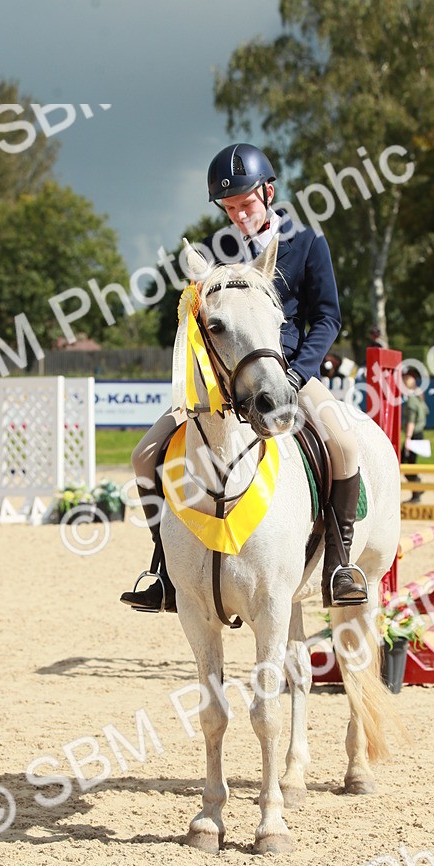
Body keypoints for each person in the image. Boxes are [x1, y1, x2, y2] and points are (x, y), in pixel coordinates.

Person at [121, 142, 368, 613]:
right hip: (223, 380)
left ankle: (339, 565)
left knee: (346, 446)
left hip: (288, 370)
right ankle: (164, 569)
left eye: (245, 204)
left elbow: (328, 318)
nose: (238, 216)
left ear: (268, 192)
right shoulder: (217, 253)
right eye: (230, 208)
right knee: (143, 455)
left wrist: (297, 373)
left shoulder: (308, 242)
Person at [401, 370, 429, 504]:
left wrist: (407, 437)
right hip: (420, 434)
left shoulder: (412, 400)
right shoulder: (419, 397)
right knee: (411, 464)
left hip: (413, 436)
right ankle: (418, 489)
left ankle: (417, 491)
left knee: (406, 465)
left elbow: (411, 421)